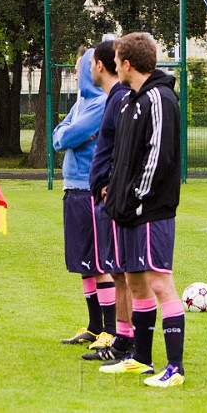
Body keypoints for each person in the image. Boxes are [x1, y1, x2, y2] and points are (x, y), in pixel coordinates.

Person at [98, 32, 186, 388]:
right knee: (135, 282)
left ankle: (175, 369)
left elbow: (159, 158)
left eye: (117, 59)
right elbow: (122, 156)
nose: (114, 64)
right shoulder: (131, 100)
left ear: (126, 64)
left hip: (150, 210)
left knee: (160, 282)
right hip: (128, 210)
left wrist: (133, 198)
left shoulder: (160, 99)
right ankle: (141, 360)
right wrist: (113, 190)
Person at [52, 49, 115, 350]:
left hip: (90, 190)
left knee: (100, 262)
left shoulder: (102, 104)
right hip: (73, 191)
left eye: (81, 68)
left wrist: (69, 134)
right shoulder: (81, 103)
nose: (76, 74)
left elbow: (68, 137)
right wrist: (68, 133)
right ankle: (94, 326)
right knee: (84, 264)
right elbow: (58, 136)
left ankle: (111, 330)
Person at [81, 40, 134, 363]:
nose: (88, 70)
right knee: (116, 272)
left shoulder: (119, 100)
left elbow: (126, 147)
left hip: (113, 198)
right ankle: (122, 340)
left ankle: (127, 342)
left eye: (90, 64)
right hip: (105, 197)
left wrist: (111, 183)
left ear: (101, 65)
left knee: (126, 273)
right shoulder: (115, 99)